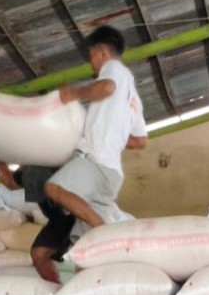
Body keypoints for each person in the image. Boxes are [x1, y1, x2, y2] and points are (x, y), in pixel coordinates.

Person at [46, 26, 148, 232]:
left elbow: (107, 87)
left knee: (54, 189)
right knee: (85, 236)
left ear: (102, 53)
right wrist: (114, 137)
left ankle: (104, 231)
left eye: (92, 56)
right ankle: (110, 235)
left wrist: (74, 94)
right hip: (112, 173)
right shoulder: (134, 99)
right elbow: (140, 141)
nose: (92, 64)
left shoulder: (113, 68)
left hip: (97, 160)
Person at [0, 163, 67, 283]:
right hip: (59, 219)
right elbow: (10, 183)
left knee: (86, 254)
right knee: (39, 255)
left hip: (80, 212)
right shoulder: (31, 171)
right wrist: (0, 163)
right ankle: (58, 289)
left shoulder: (47, 166)